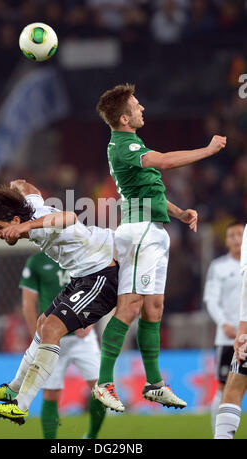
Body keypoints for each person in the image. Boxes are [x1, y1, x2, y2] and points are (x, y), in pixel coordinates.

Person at [93, 83, 227, 412]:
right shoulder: (124, 144)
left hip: (152, 231)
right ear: (124, 118)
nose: (142, 109)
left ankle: (153, 384)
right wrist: (207, 151)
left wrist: (179, 213)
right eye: (137, 105)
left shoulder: (129, 143)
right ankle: (104, 382)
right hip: (139, 233)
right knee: (129, 308)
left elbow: (148, 192)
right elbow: (164, 162)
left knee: (154, 309)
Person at [0, 179, 118, 425]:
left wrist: (27, 228)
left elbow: (70, 217)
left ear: (15, 222)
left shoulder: (36, 225)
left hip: (101, 274)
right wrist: (16, 187)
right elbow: (27, 187)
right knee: (44, 325)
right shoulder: (29, 210)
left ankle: (20, 407)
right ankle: (12, 390)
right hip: (82, 275)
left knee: (52, 328)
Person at [19, 252, 106, 439]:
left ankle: (91, 436)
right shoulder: (37, 261)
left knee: (101, 389)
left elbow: (99, 289)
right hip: (52, 339)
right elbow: (28, 304)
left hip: (82, 338)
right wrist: (36, 337)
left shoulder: (83, 254)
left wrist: (90, 321)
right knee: (50, 394)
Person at [203, 221, 245, 433]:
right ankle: (217, 434)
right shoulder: (218, 267)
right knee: (224, 387)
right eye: (232, 235)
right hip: (227, 338)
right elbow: (211, 300)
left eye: (240, 233)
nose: (237, 238)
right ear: (227, 241)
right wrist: (224, 324)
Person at [214, 223, 247, 439]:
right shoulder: (218, 267)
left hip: (242, 329)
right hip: (223, 335)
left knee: (234, 385)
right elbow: (211, 299)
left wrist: (243, 330)